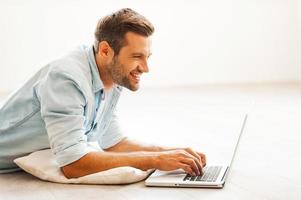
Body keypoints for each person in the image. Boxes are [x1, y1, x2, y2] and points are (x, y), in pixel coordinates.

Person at [0, 8, 206, 178]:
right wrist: (156, 161)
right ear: (105, 50)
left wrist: (172, 153)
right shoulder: (66, 77)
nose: (145, 67)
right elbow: (74, 164)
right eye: (136, 56)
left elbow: (113, 142)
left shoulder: (112, 74)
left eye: (147, 57)